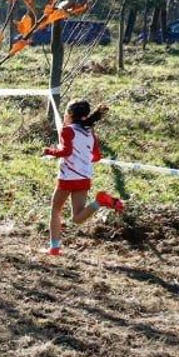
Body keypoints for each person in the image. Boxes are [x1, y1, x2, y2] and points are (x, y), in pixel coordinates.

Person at [43, 98, 126, 256]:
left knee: (55, 210)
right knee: (77, 218)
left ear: (69, 114)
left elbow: (66, 152)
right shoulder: (90, 133)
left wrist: (49, 151)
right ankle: (99, 201)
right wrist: (82, 158)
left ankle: (54, 248)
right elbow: (96, 157)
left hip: (67, 177)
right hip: (84, 178)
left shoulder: (67, 130)